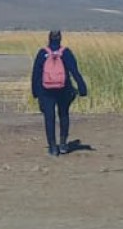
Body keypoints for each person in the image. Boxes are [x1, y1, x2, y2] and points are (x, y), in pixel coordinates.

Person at [30, 29, 88, 157]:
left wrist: (35, 92)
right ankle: (62, 144)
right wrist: (82, 88)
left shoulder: (42, 53)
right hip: (64, 89)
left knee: (49, 118)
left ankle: (52, 147)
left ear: (49, 39)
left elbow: (35, 75)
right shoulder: (66, 53)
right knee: (64, 115)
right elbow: (74, 71)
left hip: (46, 91)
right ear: (60, 39)